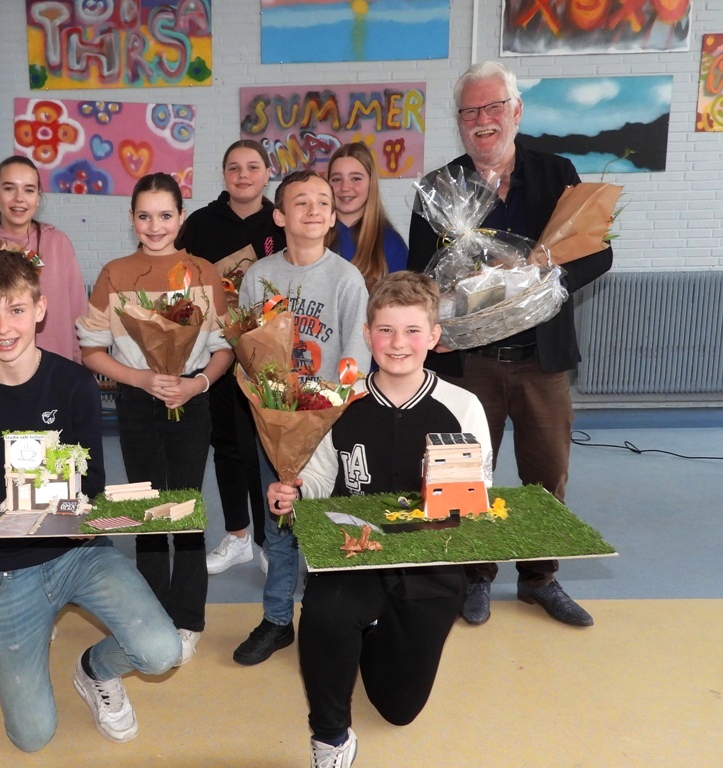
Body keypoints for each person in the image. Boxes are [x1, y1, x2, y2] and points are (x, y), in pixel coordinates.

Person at [0, 249, 181, 751]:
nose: (3, 327)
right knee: (31, 736)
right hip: (6, 570)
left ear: (39, 309)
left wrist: (93, 514)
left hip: (79, 554)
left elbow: (92, 484)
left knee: (161, 651)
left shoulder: (73, 383)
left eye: (17, 310)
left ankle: (95, 670)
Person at [407, 60, 613, 627]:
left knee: (547, 476)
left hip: (541, 361)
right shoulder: (439, 189)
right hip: (468, 365)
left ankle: (539, 577)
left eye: (494, 106)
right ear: (459, 121)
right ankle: (475, 575)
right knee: (464, 476)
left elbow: (598, 251)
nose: (483, 119)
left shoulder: (556, 172)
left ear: (516, 111)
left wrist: (543, 279)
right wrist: (437, 320)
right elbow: (420, 276)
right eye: (470, 110)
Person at [267, 271, 492, 768]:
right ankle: (329, 737)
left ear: (434, 337)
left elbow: (478, 491)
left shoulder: (463, 406)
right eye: (386, 330)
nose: (398, 343)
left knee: (398, 708)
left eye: (412, 330)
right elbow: (319, 479)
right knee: (325, 616)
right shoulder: (338, 402)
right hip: (355, 556)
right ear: (367, 334)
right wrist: (292, 491)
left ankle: (369, 633)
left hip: (429, 566)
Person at [77, 173, 234, 666]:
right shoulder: (115, 273)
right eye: (144, 216)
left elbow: (224, 348)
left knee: (186, 510)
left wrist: (197, 384)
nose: (155, 225)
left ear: (181, 217)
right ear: (131, 219)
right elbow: (91, 350)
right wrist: (140, 379)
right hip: (136, 403)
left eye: (165, 215)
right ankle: (148, 616)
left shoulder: (203, 272)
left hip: (192, 399)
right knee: (146, 511)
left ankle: (187, 620)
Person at [232, 170, 370, 666]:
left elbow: (356, 354)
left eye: (322, 203)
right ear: (279, 215)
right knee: (279, 526)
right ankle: (276, 621)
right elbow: (247, 349)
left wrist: (330, 408)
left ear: (333, 218)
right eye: (301, 202)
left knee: (326, 523)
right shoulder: (258, 276)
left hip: (328, 423)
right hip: (276, 422)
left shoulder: (346, 279)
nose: (313, 210)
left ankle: (324, 620)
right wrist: (271, 407)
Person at [175, 139, 287, 576]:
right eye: (234, 168)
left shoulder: (279, 221)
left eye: (253, 167)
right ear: (223, 174)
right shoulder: (201, 223)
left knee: (265, 449)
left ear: (267, 174)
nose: (243, 175)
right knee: (225, 445)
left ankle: (268, 539)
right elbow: (179, 279)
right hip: (216, 351)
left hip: (268, 352)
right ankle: (237, 535)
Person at [0, 155, 86, 363]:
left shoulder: (58, 243)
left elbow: (78, 312)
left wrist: (81, 366)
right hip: (1, 370)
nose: (19, 198)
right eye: (9, 188)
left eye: (29, 190)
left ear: (38, 197)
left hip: (58, 368)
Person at [325, 142, 408, 291]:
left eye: (356, 178)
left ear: (371, 183)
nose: (345, 187)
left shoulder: (392, 244)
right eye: (336, 179)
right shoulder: (311, 237)